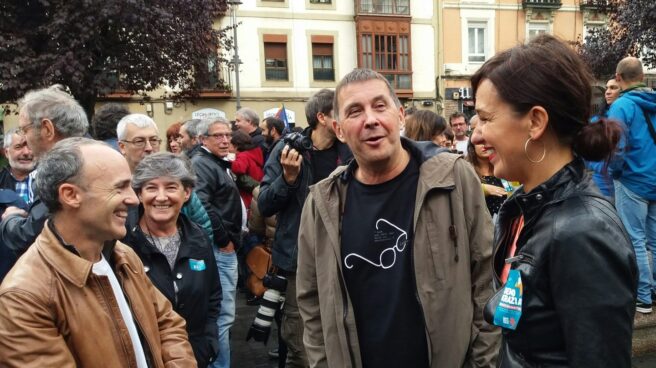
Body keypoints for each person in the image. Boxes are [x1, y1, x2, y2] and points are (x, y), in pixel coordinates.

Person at [296, 69, 499, 367]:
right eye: (355, 111)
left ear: (400, 116)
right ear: (339, 130)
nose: (371, 120)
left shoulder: (453, 178)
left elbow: (486, 278)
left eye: (380, 106)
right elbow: (311, 303)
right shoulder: (322, 203)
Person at [470, 34, 636, 367]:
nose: (476, 135)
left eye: (486, 119)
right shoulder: (523, 205)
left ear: (535, 122)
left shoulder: (584, 234)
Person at [0, 138, 196, 367]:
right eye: (119, 187)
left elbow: (167, 323)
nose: (133, 199)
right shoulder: (24, 298)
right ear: (70, 195)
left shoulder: (123, 255)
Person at [259, 88, 353, 368]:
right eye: (343, 112)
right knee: (301, 346)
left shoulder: (349, 150)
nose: (349, 120)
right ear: (323, 118)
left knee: (344, 336)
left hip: (345, 258)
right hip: (299, 262)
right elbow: (264, 205)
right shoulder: (289, 149)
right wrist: (288, 179)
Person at [123, 152, 221, 367]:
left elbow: (213, 296)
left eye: (170, 187)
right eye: (151, 188)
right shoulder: (122, 243)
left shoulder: (199, 239)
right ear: (139, 194)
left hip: (194, 356)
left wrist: (208, 342)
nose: (161, 197)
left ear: (186, 192)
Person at [0, 85, 87, 255]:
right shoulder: (101, 154)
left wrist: (10, 219)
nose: (25, 138)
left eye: (25, 129)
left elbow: (33, 233)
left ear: (47, 129)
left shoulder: (60, 168)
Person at [191, 118, 243, 368]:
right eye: (218, 136)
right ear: (203, 140)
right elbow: (203, 204)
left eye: (227, 135)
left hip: (223, 248)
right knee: (223, 316)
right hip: (219, 250)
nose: (225, 140)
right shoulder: (202, 164)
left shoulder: (213, 163)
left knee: (222, 317)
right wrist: (224, 240)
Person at [608, 56, 656, 313]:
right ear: (642, 75)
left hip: (633, 181)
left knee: (635, 240)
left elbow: (617, 148)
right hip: (654, 179)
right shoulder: (653, 101)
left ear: (618, 77)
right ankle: (654, 291)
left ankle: (643, 297)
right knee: (655, 240)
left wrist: (616, 172)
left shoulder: (621, 106)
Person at [586, 77, 620, 199]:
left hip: (627, 185)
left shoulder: (630, 116)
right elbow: (586, 151)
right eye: (606, 88)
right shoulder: (596, 121)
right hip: (602, 185)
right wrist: (601, 167)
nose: (607, 91)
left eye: (613, 88)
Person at [466, 140, 508, 219]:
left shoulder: (503, 166)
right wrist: (483, 189)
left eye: (487, 141)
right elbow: (461, 192)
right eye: (479, 142)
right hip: (479, 221)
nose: (484, 145)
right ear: (472, 147)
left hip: (504, 220)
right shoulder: (466, 168)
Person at [230, 130, 264, 210]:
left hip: (247, 197)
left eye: (229, 144)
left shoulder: (243, 156)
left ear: (236, 146)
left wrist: (227, 161)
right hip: (254, 194)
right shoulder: (253, 153)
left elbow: (239, 168)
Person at [0, 128, 35, 204]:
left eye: (30, 146)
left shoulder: (49, 179)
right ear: (6, 152)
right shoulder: (1, 181)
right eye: (18, 147)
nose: (26, 152)